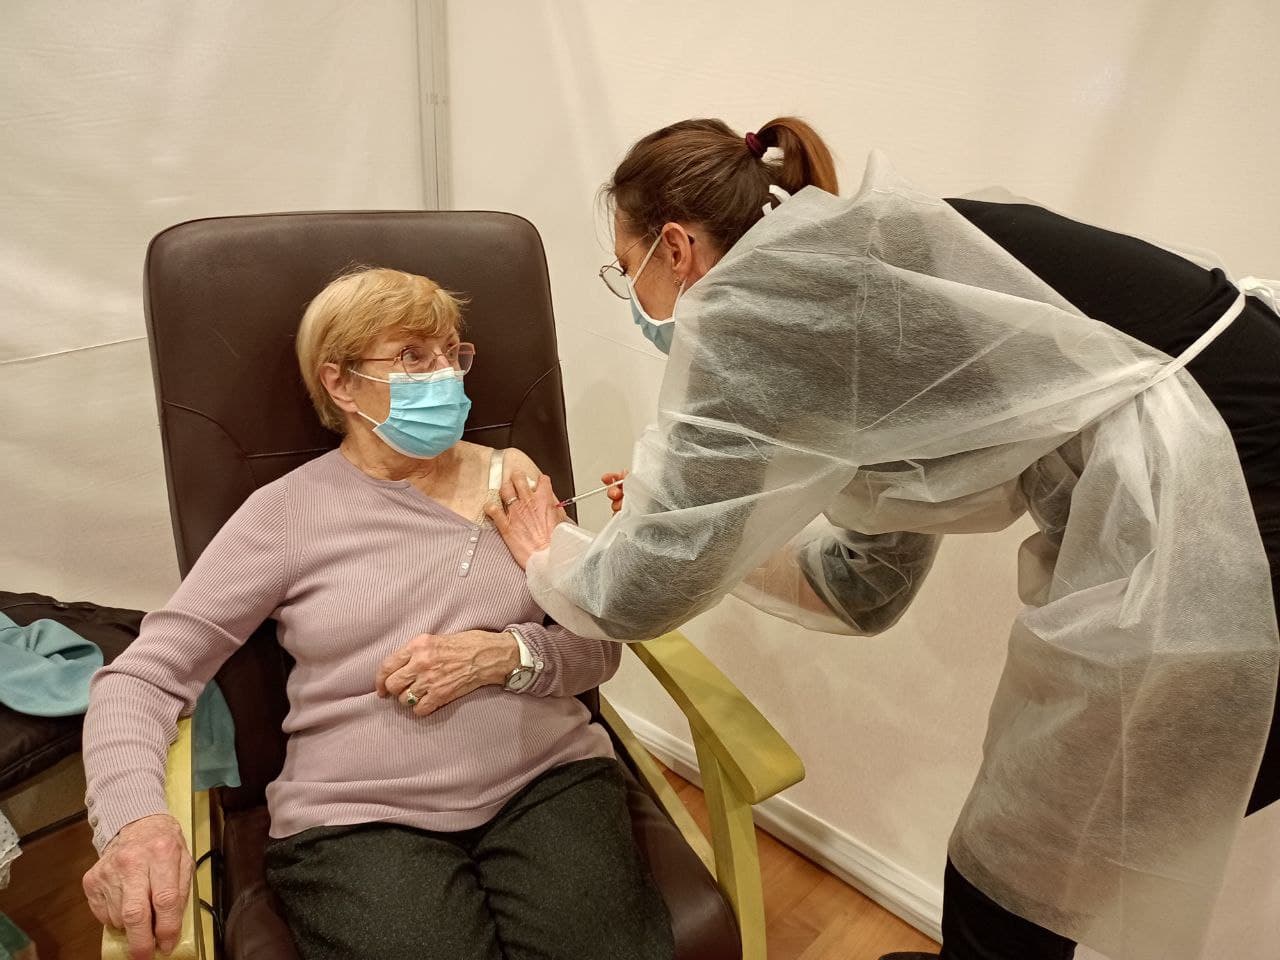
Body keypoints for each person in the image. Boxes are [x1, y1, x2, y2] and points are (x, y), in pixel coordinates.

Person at [486, 118, 1280, 960]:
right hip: (1236, 452)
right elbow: (869, 586)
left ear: (675, 248)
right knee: (1041, 859)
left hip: (1235, 511)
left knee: (1025, 862)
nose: (635, 299)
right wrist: (716, 542)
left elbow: (639, 594)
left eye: (627, 269)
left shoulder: (763, 313)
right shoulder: (862, 272)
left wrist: (549, 551)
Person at [81, 267, 674, 960]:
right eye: (413, 357)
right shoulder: (285, 514)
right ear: (340, 383)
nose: (444, 375)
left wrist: (505, 657)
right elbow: (144, 678)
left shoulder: (512, 480)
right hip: (360, 817)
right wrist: (135, 821)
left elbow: (598, 648)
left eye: (452, 353)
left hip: (548, 780)